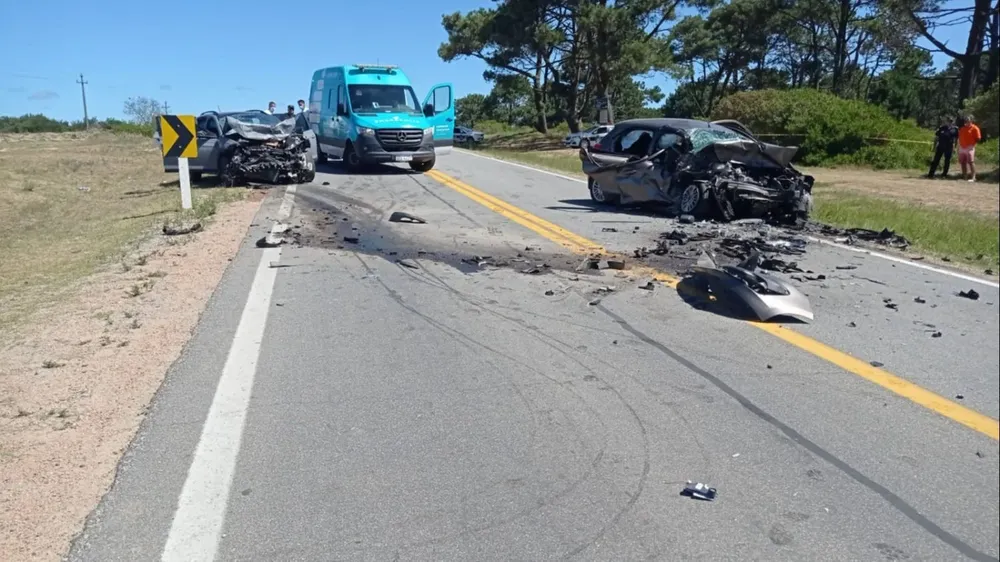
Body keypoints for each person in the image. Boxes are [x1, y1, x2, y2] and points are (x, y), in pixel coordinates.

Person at [957, 114, 981, 182]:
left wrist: (972, 144)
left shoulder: (975, 128)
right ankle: (965, 177)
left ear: (971, 120)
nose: (966, 120)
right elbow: (959, 138)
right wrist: (959, 146)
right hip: (962, 147)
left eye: (968, 119)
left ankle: (973, 177)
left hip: (970, 147)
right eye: (966, 119)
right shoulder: (962, 128)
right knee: (963, 163)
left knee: (971, 162)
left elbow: (978, 138)